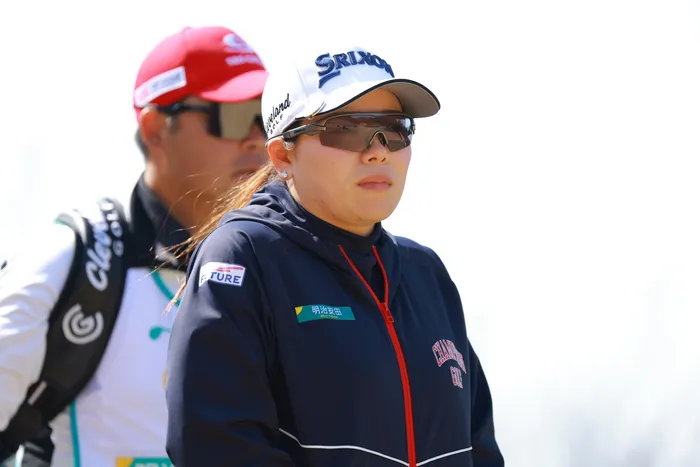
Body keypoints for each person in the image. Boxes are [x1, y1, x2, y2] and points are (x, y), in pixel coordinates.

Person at [164, 42, 505, 467]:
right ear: (283, 154)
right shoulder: (242, 257)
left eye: (395, 129)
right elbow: (216, 447)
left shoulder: (427, 273)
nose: (378, 150)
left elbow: (479, 449)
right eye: (347, 129)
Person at [0, 25, 268, 466]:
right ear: (155, 128)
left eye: (267, 114)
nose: (257, 137)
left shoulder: (288, 268)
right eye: (233, 114)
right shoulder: (76, 260)